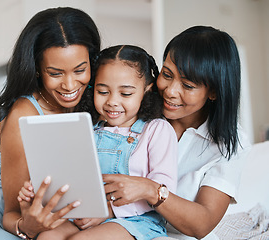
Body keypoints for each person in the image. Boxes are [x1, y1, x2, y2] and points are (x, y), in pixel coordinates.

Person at [0, 7, 101, 240]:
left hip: (61, 229)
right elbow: (11, 214)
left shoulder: (98, 100)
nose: (69, 84)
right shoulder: (23, 116)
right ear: (37, 69)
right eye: (55, 73)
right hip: (3, 229)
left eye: (80, 70)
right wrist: (28, 227)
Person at [100, 26, 252, 240]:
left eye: (188, 85)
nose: (170, 91)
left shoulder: (229, 142)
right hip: (109, 224)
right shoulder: (131, 110)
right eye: (167, 74)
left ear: (214, 92)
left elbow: (202, 223)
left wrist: (151, 190)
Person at [18, 45, 178, 240]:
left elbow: (163, 190)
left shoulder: (156, 130)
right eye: (103, 92)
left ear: (146, 90)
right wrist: (39, 188)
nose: (112, 101)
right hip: (84, 216)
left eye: (125, 94)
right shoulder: (88, 127)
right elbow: (70, 176)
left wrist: (109, 211)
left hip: (135, 220)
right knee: (47, 237)